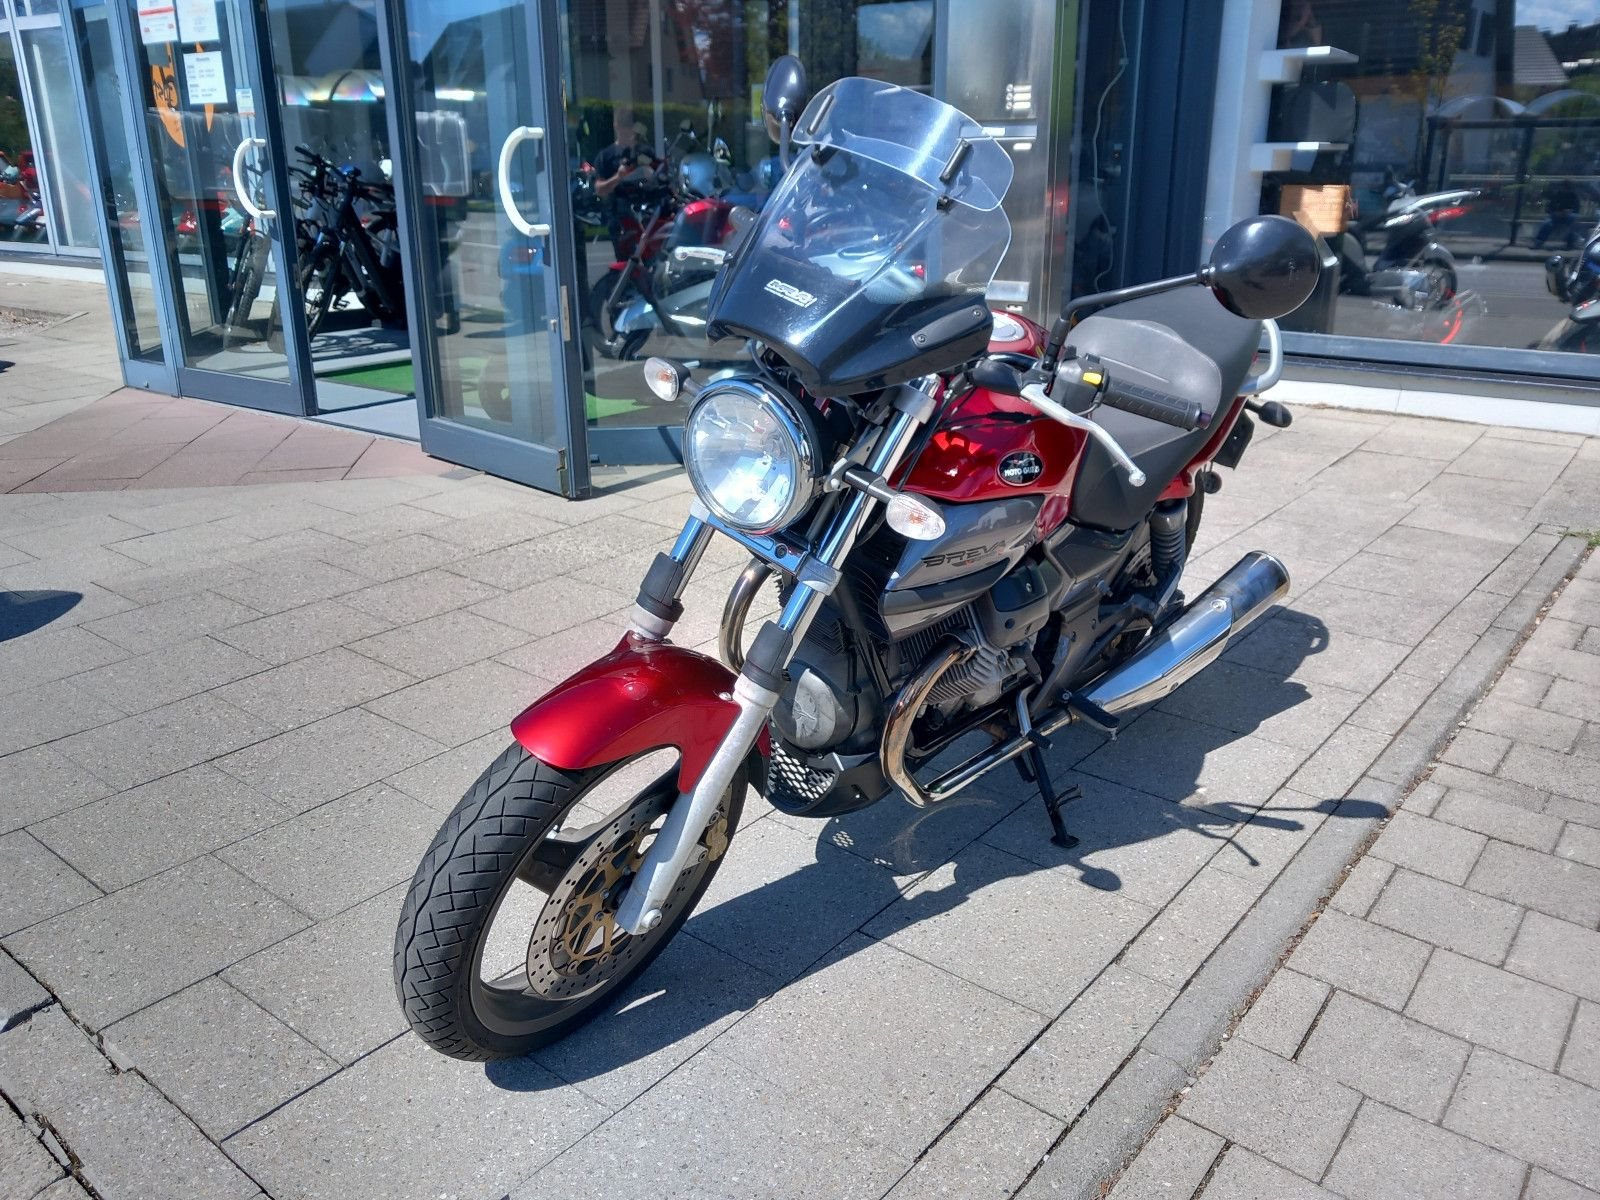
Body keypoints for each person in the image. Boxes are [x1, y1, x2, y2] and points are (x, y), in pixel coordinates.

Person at [1534, 179, 1583, 250]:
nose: (1565, 189)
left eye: (1567, 188)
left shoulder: (1573, 196)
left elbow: (1577, 209)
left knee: (1573, 220)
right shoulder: (1556, 195)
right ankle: (1538, 242)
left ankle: (1570, 243)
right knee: (1547, 223)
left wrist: (1569, 211)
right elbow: (1549, 208)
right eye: (1564, 187)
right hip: (1556, 216)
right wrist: (1555, 212)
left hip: (1569, 216)